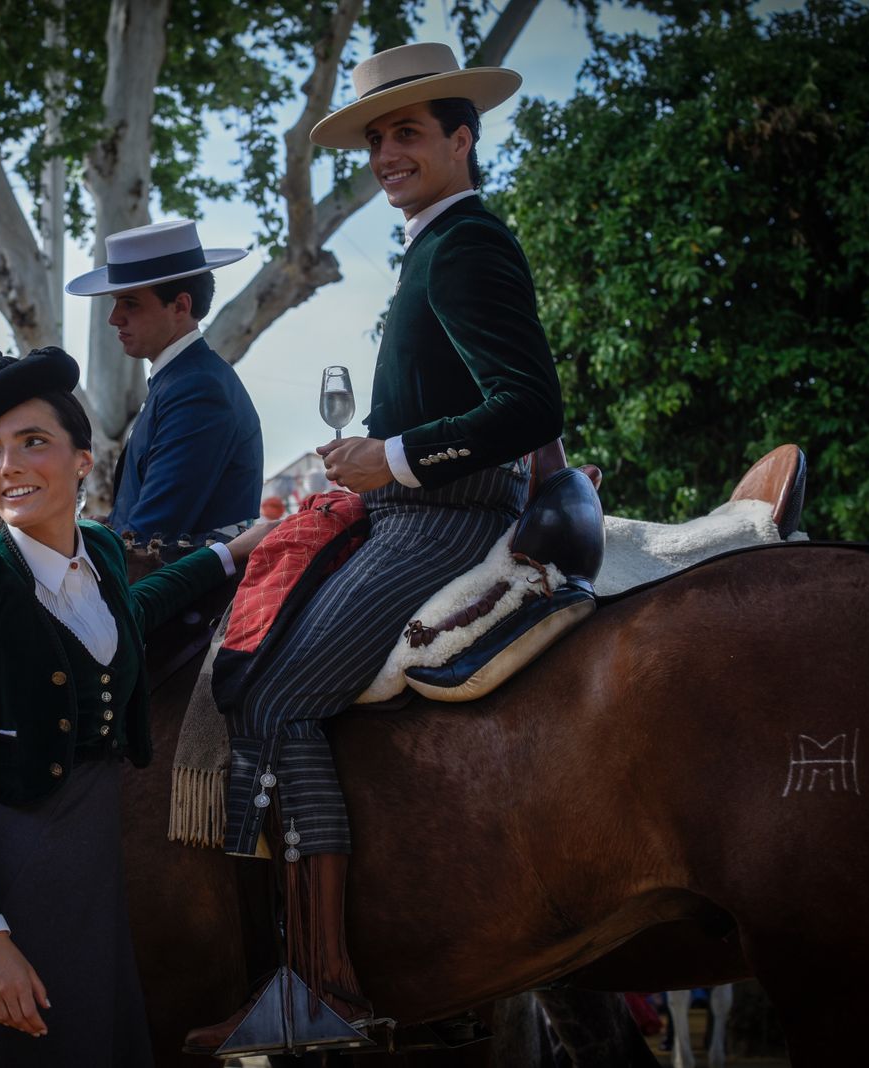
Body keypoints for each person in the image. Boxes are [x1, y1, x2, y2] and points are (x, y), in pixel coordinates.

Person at [185, 42, 565, 1054]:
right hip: (411, 506)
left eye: (407, 133)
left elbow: (529, 404)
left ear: (460, 138)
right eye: (375, 137)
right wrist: (363, 459)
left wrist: (389, 457)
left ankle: (326, 987)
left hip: (443, 520)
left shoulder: (466, 244)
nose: (386, 153)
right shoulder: (435, 244)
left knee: (271, 695)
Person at [0, 346, 272, 1065]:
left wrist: (230, 555)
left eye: (31, 442)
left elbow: (128, 613)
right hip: (10, 880)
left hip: (95, 883)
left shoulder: (100, 554)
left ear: (82, 460)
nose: (7, 466)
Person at [66, 219, 263, 537]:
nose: (114, 318)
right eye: (115, 303)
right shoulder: (181, 379)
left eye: (130, 303)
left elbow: (153, 534)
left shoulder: (196, 388)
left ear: (180, 306)